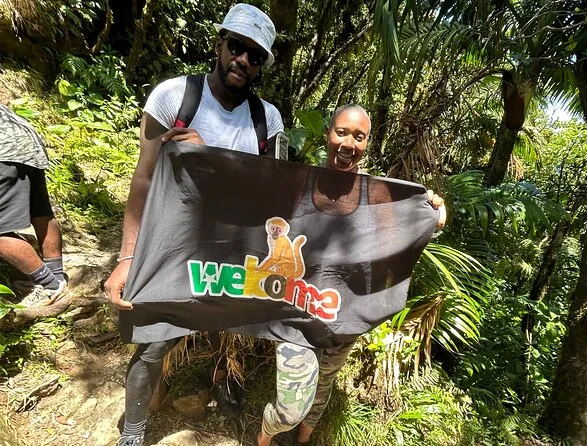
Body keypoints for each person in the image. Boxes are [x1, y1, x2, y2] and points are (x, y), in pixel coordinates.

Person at [103, 4, 283, 446]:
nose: (242, 60)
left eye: (255, 55)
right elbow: (144, 180)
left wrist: (210, 159)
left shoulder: (268, 120)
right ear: (220, 43)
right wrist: (128, 257)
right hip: (172, 244)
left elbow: (273, 192)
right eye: (236, 46)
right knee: (154, 339)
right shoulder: (174, 97)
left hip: (232, 249)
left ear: (261, 65)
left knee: (232, 329)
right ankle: (134, 431)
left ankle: (224, 383)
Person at [256, 104, 446, 446]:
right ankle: (265, 434)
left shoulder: (377, 194)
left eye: (359, 136)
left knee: (324, 382)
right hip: (296, 312)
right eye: (341, 132)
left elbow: (400, 237)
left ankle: (304, 439)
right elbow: (255, 212)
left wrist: (430, 212)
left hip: (345, 316)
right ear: (328, 134)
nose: (348, 143)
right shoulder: (300, 182)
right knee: (291, 406)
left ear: (367, 142)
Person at [0, 103, 67, 307]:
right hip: (26, 141)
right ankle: (57, 277)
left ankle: (50, 285)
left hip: (4, 152)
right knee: (41, 213)